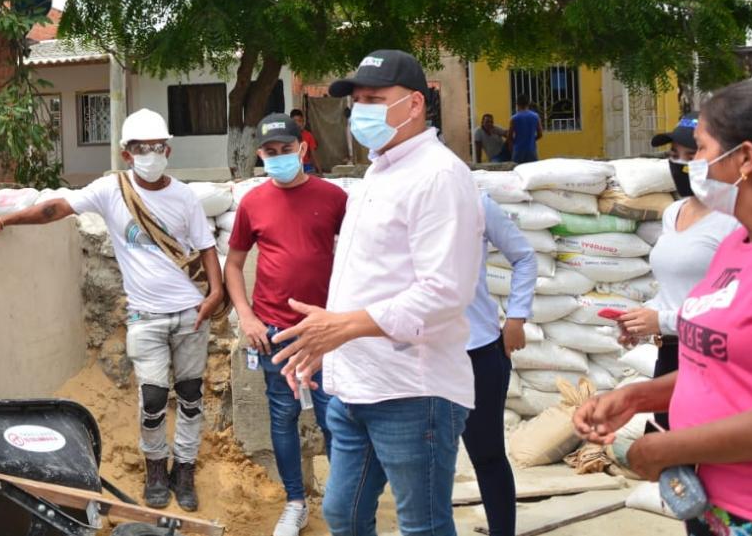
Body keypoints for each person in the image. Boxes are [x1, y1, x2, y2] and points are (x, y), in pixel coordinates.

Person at [0, 109, 224, 512]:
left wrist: (216, 292)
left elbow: (207, 247)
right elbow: (55, 209)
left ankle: (185, 469)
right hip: (145, 317)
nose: (150, 154)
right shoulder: (110, 190)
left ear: (168, 150)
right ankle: (156, 469)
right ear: (126, 153)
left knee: (191, 395)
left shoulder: (185, 197)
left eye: (157, 147)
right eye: (141, 147)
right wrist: (6, 220)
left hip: (191, 314)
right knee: (153, 398)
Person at [272, 50, 484, 536]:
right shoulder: (379, 172)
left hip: (413, 390)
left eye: (374, 99)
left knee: (423, 525)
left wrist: (342, 328)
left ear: (415, 104)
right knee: (343, 514)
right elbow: (370, 277)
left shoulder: (438, 175)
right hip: (357, 385)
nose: (361, 111)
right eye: (357, 101)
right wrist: (326, 344)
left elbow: (445, 292)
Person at [574, 79, 752, 536]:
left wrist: (663, 449)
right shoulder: (735, 244)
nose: (690, 166)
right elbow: (723, 370)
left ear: (746, 159)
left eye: (702, 149)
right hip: (708, 500)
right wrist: (637, 397)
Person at [224, 113, 346, 536]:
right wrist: (247, 316)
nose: (278, 157)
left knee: (336, 418)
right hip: (274, 332)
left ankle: (343, 501)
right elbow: (234, 265)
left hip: (325, 332)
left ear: (303, 148)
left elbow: (358, 256)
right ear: (260, 155)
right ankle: (295, 502)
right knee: (283, 416)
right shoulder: (253, 203)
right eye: (270, 152)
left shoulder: (333, 198)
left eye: (286, 150)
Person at [614, 114, 739, 432]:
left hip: (713, 355)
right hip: (670, 352)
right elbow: (673, 288)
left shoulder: (735, 220)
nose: (680, 164)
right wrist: (641, 319)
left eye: (691, 155)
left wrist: (662, 320)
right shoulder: (673, 213)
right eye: (673, 155)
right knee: (668, 437)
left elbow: (734, 305)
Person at [464, 193, 537, 536]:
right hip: (420, 356)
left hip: (477, 350)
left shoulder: (475, 203)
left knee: (487, 454)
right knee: (423, 463)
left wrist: (517, 317)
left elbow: (524, 256)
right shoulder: (394, 202)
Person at [507, 97, 543, 164]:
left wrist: (512, 148)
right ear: (528, 104)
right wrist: (532, 139)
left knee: (518, 169)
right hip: (531, 150)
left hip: (518, 150)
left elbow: (509, 137)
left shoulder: (514, 118)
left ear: (517, 104)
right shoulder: (535, 116)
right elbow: (540, 134)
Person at [289, 109, 322, 174]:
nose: (297, 124)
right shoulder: (287, 136)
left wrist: (320, 171)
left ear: (303, 122)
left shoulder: (309, 135)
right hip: (292, 165)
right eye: (295, 121)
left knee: (312, 175)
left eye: (300, 121)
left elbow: (313, 155)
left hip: (306, 165)